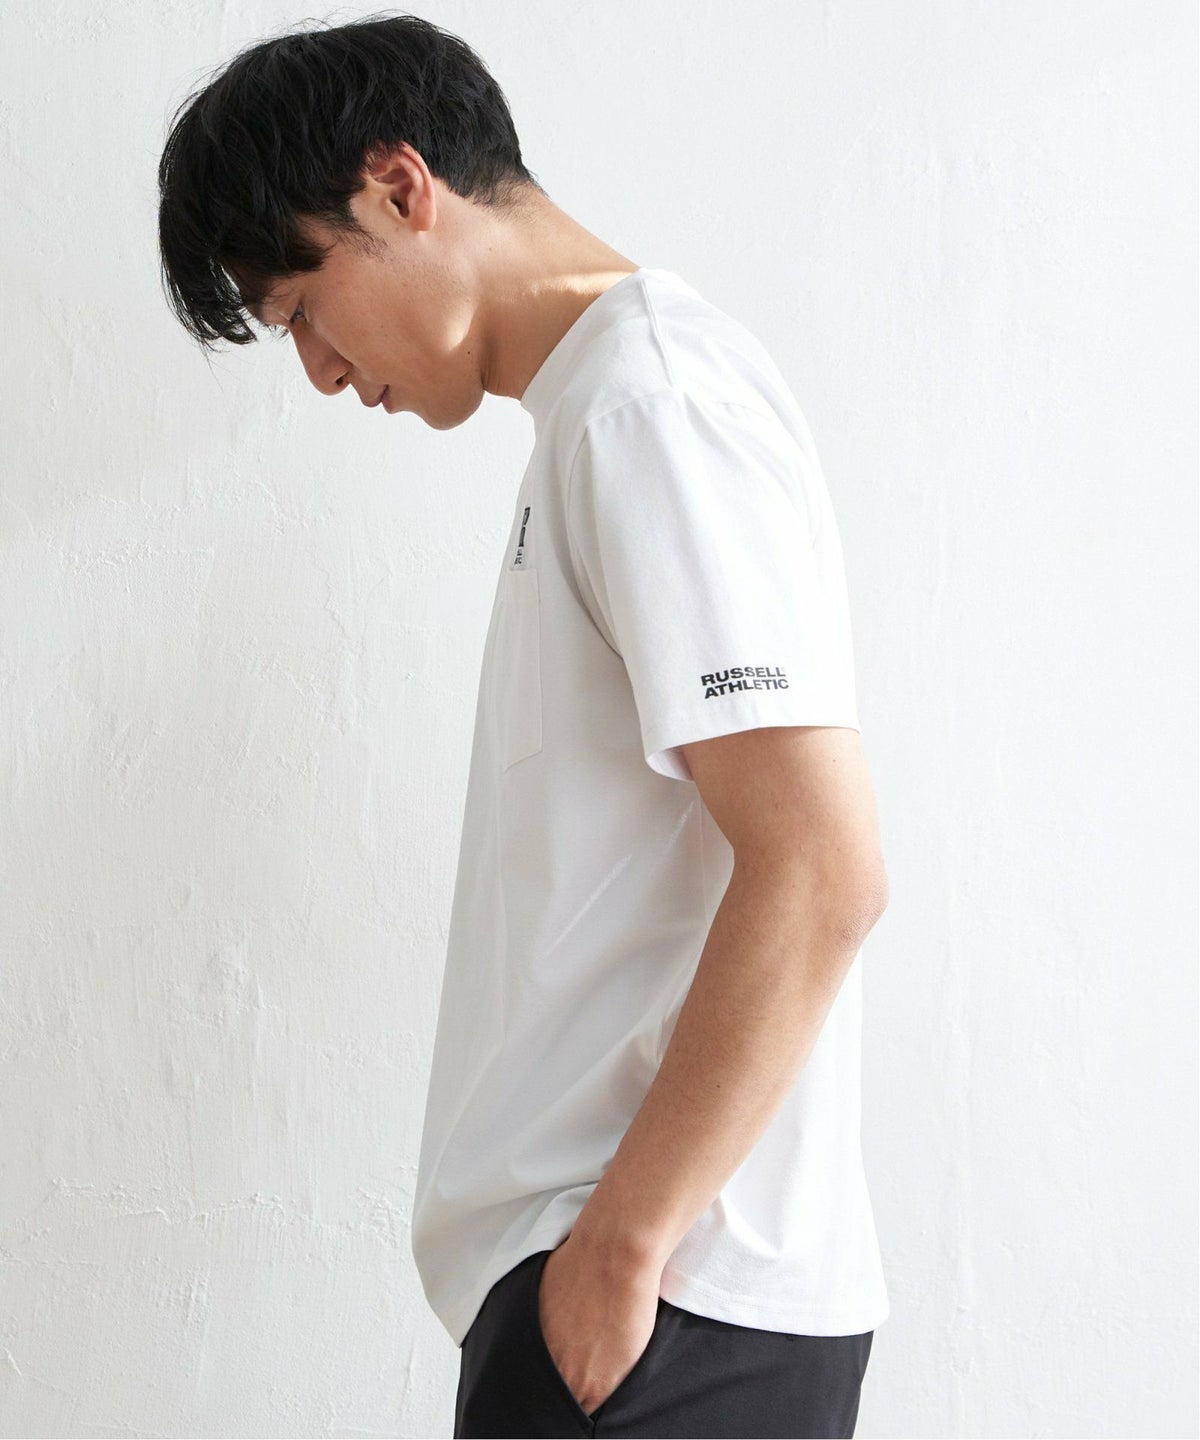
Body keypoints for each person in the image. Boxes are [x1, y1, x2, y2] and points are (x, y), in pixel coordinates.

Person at [157, 14, 891, 1437]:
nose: (318, 371)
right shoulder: (602, 414)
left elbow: (822, 867)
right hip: (649, 1300)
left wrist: (621, 1248)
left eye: (301, 309)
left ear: (399, 188)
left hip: (665, 1304)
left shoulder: (649, 408)